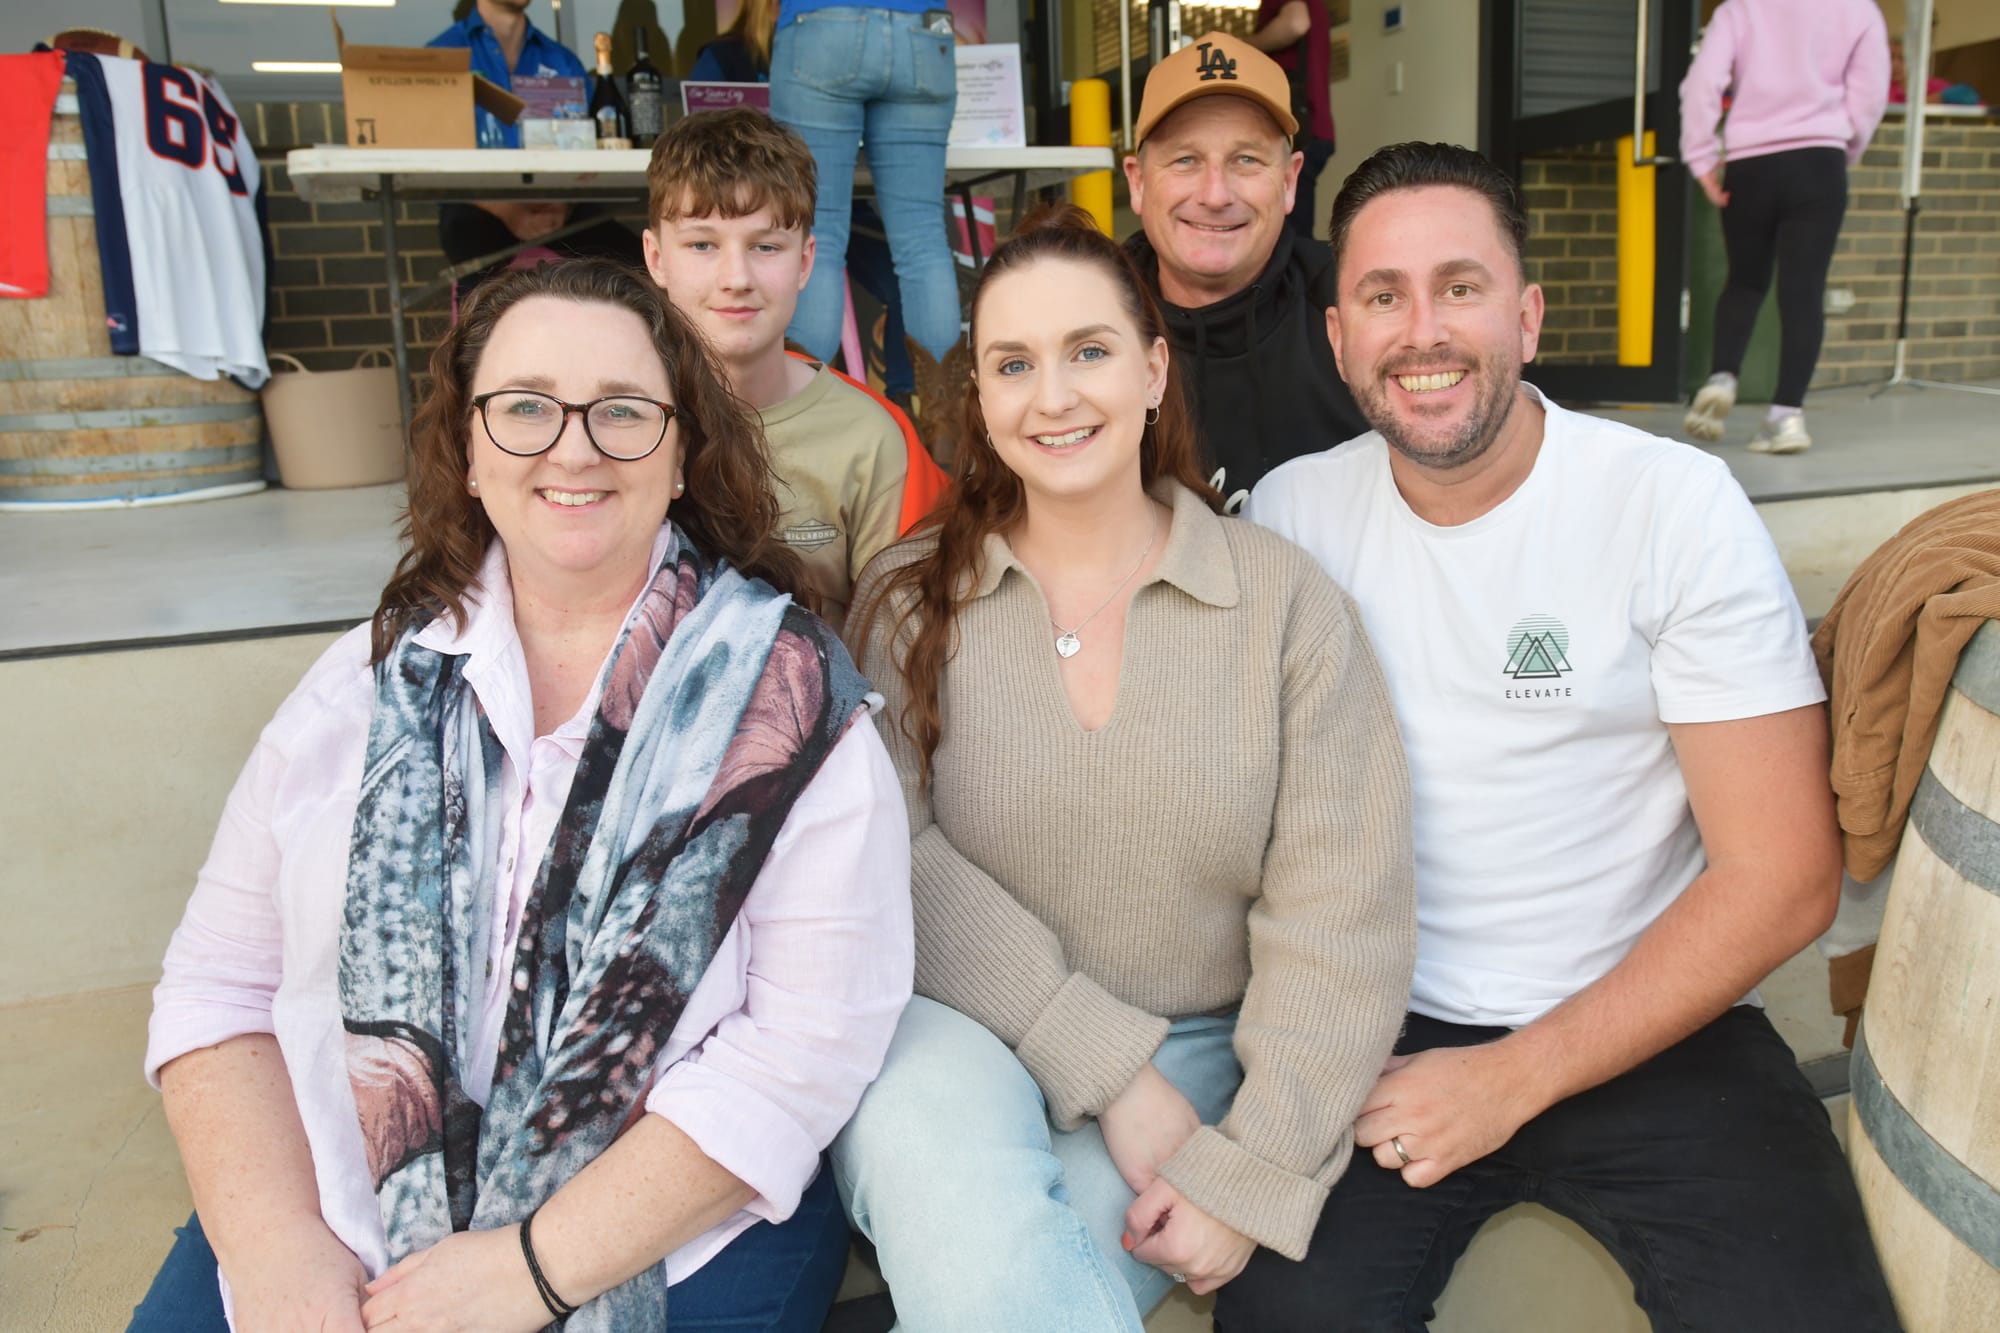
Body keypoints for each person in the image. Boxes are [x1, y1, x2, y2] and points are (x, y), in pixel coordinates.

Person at [132, 259, 912, 1333]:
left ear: (683, 451)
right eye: (526, 408)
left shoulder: (790, 710)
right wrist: (275, 1250)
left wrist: (531, 1271)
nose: (574, 447)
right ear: (468, 448)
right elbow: (218, 985)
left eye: (623, 411)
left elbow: (802, 1050)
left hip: (666, 1239)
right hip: (336, 1213)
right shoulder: (356, 692)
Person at [1226, 142, 1902, 1331]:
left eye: (1461, 287)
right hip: (1373, 1023)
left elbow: (1782, 875)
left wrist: (1508, 1078)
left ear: (1527, 317)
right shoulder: (1290, 516)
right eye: (1382, 295)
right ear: (1337, 338)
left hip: (1653, 1014)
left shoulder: (1667, 506)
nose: (1421, 329)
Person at [830, 205, 1416, 1330]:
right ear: (980, 402)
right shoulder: (908, 599)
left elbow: (1343, 913)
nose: (1052, 397)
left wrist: (1252, 1171)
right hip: (951, 1033)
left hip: (1195, 1039)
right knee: (946, 1187)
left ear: (1153, 370)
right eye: (1013, 364)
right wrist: (1105, 1066)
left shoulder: (1282, 604)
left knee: (1017, 1293)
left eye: (1088, 352)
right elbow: (887, 856)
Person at [642, 107, 945, 633]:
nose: (736, 277)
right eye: (702, 244)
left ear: (805, 261)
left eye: (765, 246)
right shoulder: (613, 418)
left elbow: (901, 651)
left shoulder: (869, 438)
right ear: (655, 258)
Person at [1122, 32, 1366, 509]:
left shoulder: (1358, 306)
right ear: (1138, 181)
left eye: (1246, 159)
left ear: (1290, 180)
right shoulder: (1089, 322)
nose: (1215, 194)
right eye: (1186, 159)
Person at [685, 0, 921, 414]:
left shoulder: (844, 45)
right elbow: (697, 144)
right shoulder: (723, 56)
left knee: (903, 278)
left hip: (841, 208)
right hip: (754, 216)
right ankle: (794, 398)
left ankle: (909, 399)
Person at [1679, 0, 1889, 454]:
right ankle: (1785, 418)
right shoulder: (1858, 10)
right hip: (1819, 159)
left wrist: (1701, 157)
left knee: (1745, 280)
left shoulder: (1741, 9)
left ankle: (1722, 377)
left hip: (1751, 164)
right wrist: (1844, 147)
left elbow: (1702, 82)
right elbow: (1871, 91)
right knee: (1803, 290)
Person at [768, 0, 961, 369]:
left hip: (822, 23)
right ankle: (947, 421)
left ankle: (802, 415)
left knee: (817, 240)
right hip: (923, 32)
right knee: (924, 243)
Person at [427, 0, 643, 287]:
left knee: (638, 267)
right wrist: (508, 211)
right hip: (479, 208)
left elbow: (589, 148)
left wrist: (563, 204)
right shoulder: (440, 58)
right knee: (480, 277)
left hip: (559, 204)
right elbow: (431, 162)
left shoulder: (562, 61)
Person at [1244, 0, 1336, 242]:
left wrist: (1245, 46)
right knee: (1292, 235)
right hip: (1310, 127)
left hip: (1297, 130)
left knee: (1289, 241)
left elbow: (1296, 23)